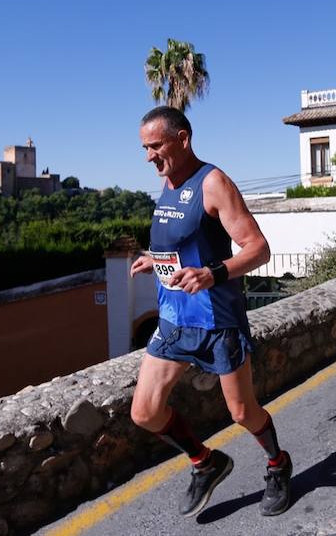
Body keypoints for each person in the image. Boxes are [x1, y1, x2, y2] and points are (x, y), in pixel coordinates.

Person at [129, 106, 293, 517]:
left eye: (155, 146)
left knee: (242, 412)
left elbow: (259, 249)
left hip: (218, 322)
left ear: (183, 139)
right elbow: (183, 241)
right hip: (173, 321)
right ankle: (205, 463)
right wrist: (156, 258)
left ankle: (278, 463)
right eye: (144, 148)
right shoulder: (167, 184)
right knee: (145, 412)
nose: (149, 156)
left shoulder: (213, 182)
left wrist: (212, 274)